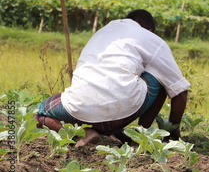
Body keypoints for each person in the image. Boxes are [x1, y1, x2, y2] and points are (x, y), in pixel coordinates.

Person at [34, 9, 191, 147]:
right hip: (122, 114)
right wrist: (172, 131)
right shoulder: (151, 39)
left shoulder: (104, 31)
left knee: (40, 112)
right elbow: (180, 92)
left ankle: (85, 133)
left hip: (77, 109)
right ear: (149, 30)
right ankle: (139, 138)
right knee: (161, 76)